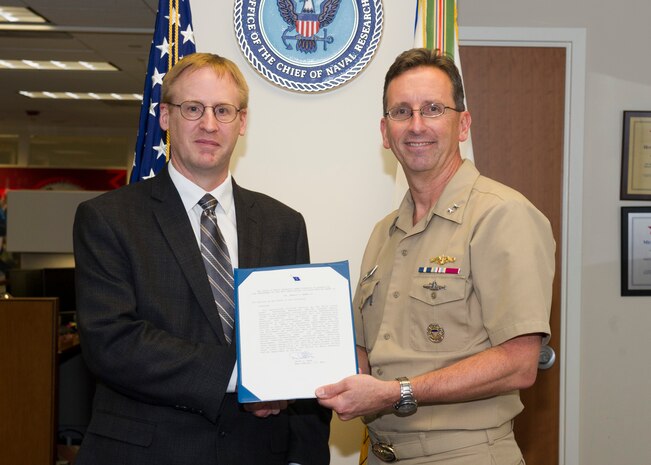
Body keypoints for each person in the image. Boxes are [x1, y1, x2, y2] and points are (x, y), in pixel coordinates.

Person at [73, 53, 331, 465]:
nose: (209, 124)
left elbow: (297, 349)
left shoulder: (284, 224)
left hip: (258, 452)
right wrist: (242, 377)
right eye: (193, 108)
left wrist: (305, 456)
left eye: (223, 110)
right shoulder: (108, 219)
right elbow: (112, 341)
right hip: (147, 454)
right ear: (165, 116)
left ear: (242, 123)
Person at [315, 48, 555, 464]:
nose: (417, 125)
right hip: (383, 452)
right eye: (401, 112)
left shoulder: (501, 215)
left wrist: (399, 392)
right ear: (385, 132)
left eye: (432, 109)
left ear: (462, 124)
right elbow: (366, 354)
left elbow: (520, 362)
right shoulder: (384, 233)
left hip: (464, 452)